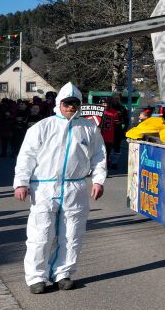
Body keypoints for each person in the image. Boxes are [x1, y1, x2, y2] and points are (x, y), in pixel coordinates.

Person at [13, 83, 106, 294]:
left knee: (73, 234)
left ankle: (63, 273)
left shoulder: (89, 128)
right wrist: (21, 182)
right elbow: (26, 157)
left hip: (76, 187)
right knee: (41, 234)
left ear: (79, 105)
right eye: (67, 103)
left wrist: (99, 180)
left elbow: (99, 157)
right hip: (44, 187)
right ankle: (37, 276)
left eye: (75, 103)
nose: (70, 107)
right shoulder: (42, 127)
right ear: (59, 104)